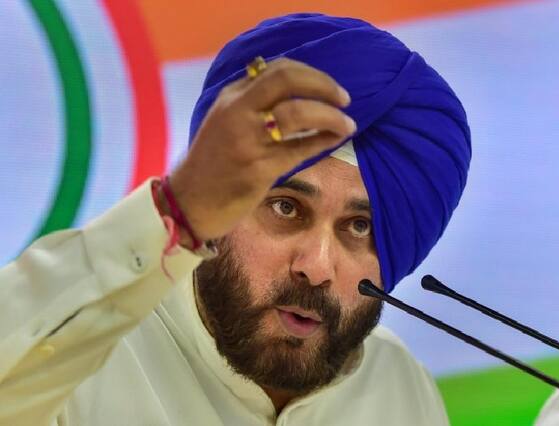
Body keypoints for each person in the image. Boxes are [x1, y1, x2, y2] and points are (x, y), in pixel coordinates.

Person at [0, 13, 471, 426]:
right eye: (286, 207)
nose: (315, 267)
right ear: (218, 204)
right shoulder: (82, 357)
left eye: (359, 226)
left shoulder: (397, 386)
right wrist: (178, 209)